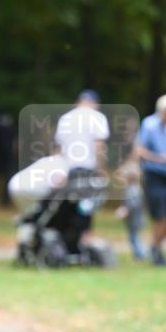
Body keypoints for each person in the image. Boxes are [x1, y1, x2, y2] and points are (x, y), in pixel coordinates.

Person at [53, 89, 109, 242]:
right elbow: (99, 146)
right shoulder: (98, 118)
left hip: (67, 170)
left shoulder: (65, 118)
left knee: (66, 206)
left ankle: (65, 238)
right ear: (94, 103)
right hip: (87, 169)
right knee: (86, 208)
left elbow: (59, 149)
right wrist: (102, 170)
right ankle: (84, 241)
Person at [136, 93, 166, 266]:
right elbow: (140, 151)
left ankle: (155, 246)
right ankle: (156, 252)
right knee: (161, 216)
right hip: (153, 175)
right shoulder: (149, 125)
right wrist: (160, 159)